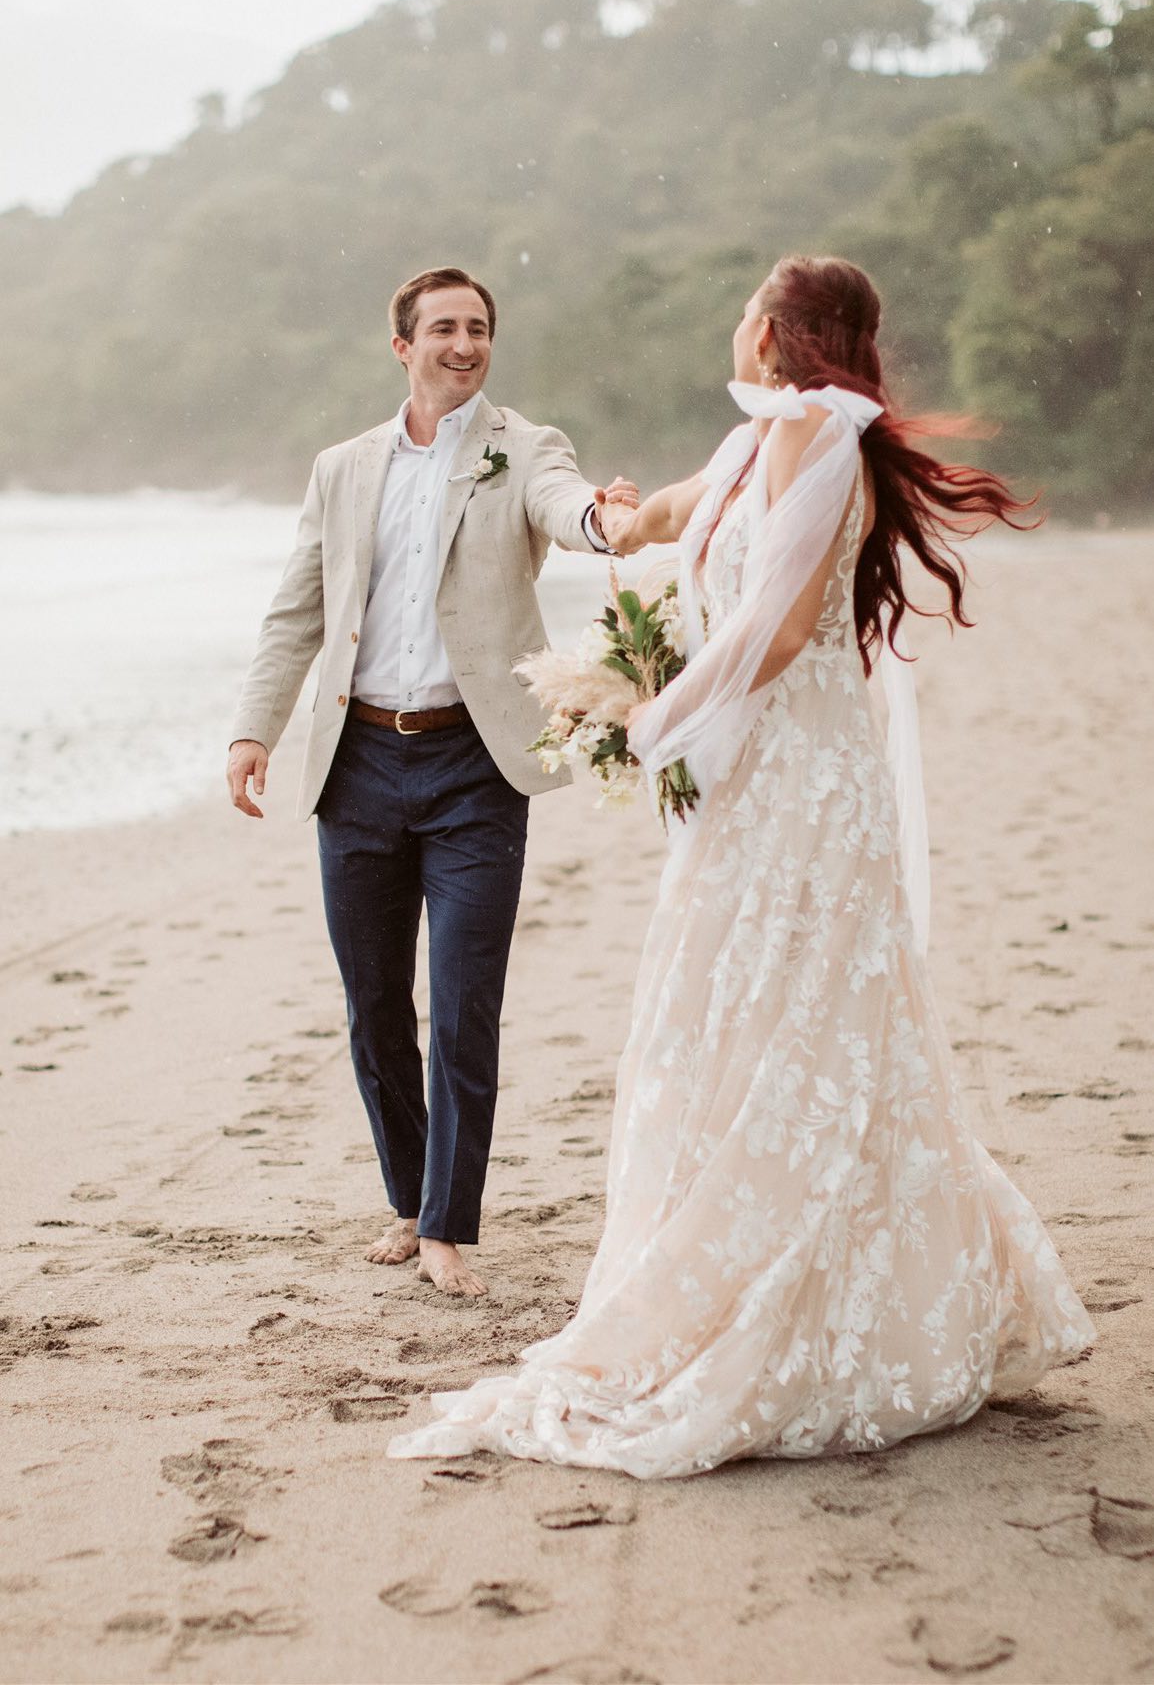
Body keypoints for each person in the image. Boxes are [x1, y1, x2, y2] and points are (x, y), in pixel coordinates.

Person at [389, 254, 1094, 1471]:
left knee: (799, 1018)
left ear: (770, 329)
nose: (734, 325)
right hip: (750, 777)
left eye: (743, 310)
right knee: (734, 1012)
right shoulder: (761, 434)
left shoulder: (816, 433)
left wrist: (650, 720)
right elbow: (656, 519)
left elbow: (773, 627)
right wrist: (596, 518)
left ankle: (808, 1291)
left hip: (799, 774)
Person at [227, 266, 638, 1298]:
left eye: (480, 328)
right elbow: (296, 611)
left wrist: (605, 519)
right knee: (373, 1004)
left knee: (463, 1002)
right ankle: (409, 1200)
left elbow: (565, 507)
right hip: (354, 762)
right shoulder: (343, 467)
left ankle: (450, 1223)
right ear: (401, 344)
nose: (464, 343)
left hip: (473, 765)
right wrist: (253, 731)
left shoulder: (523, 447)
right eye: (444, 328)